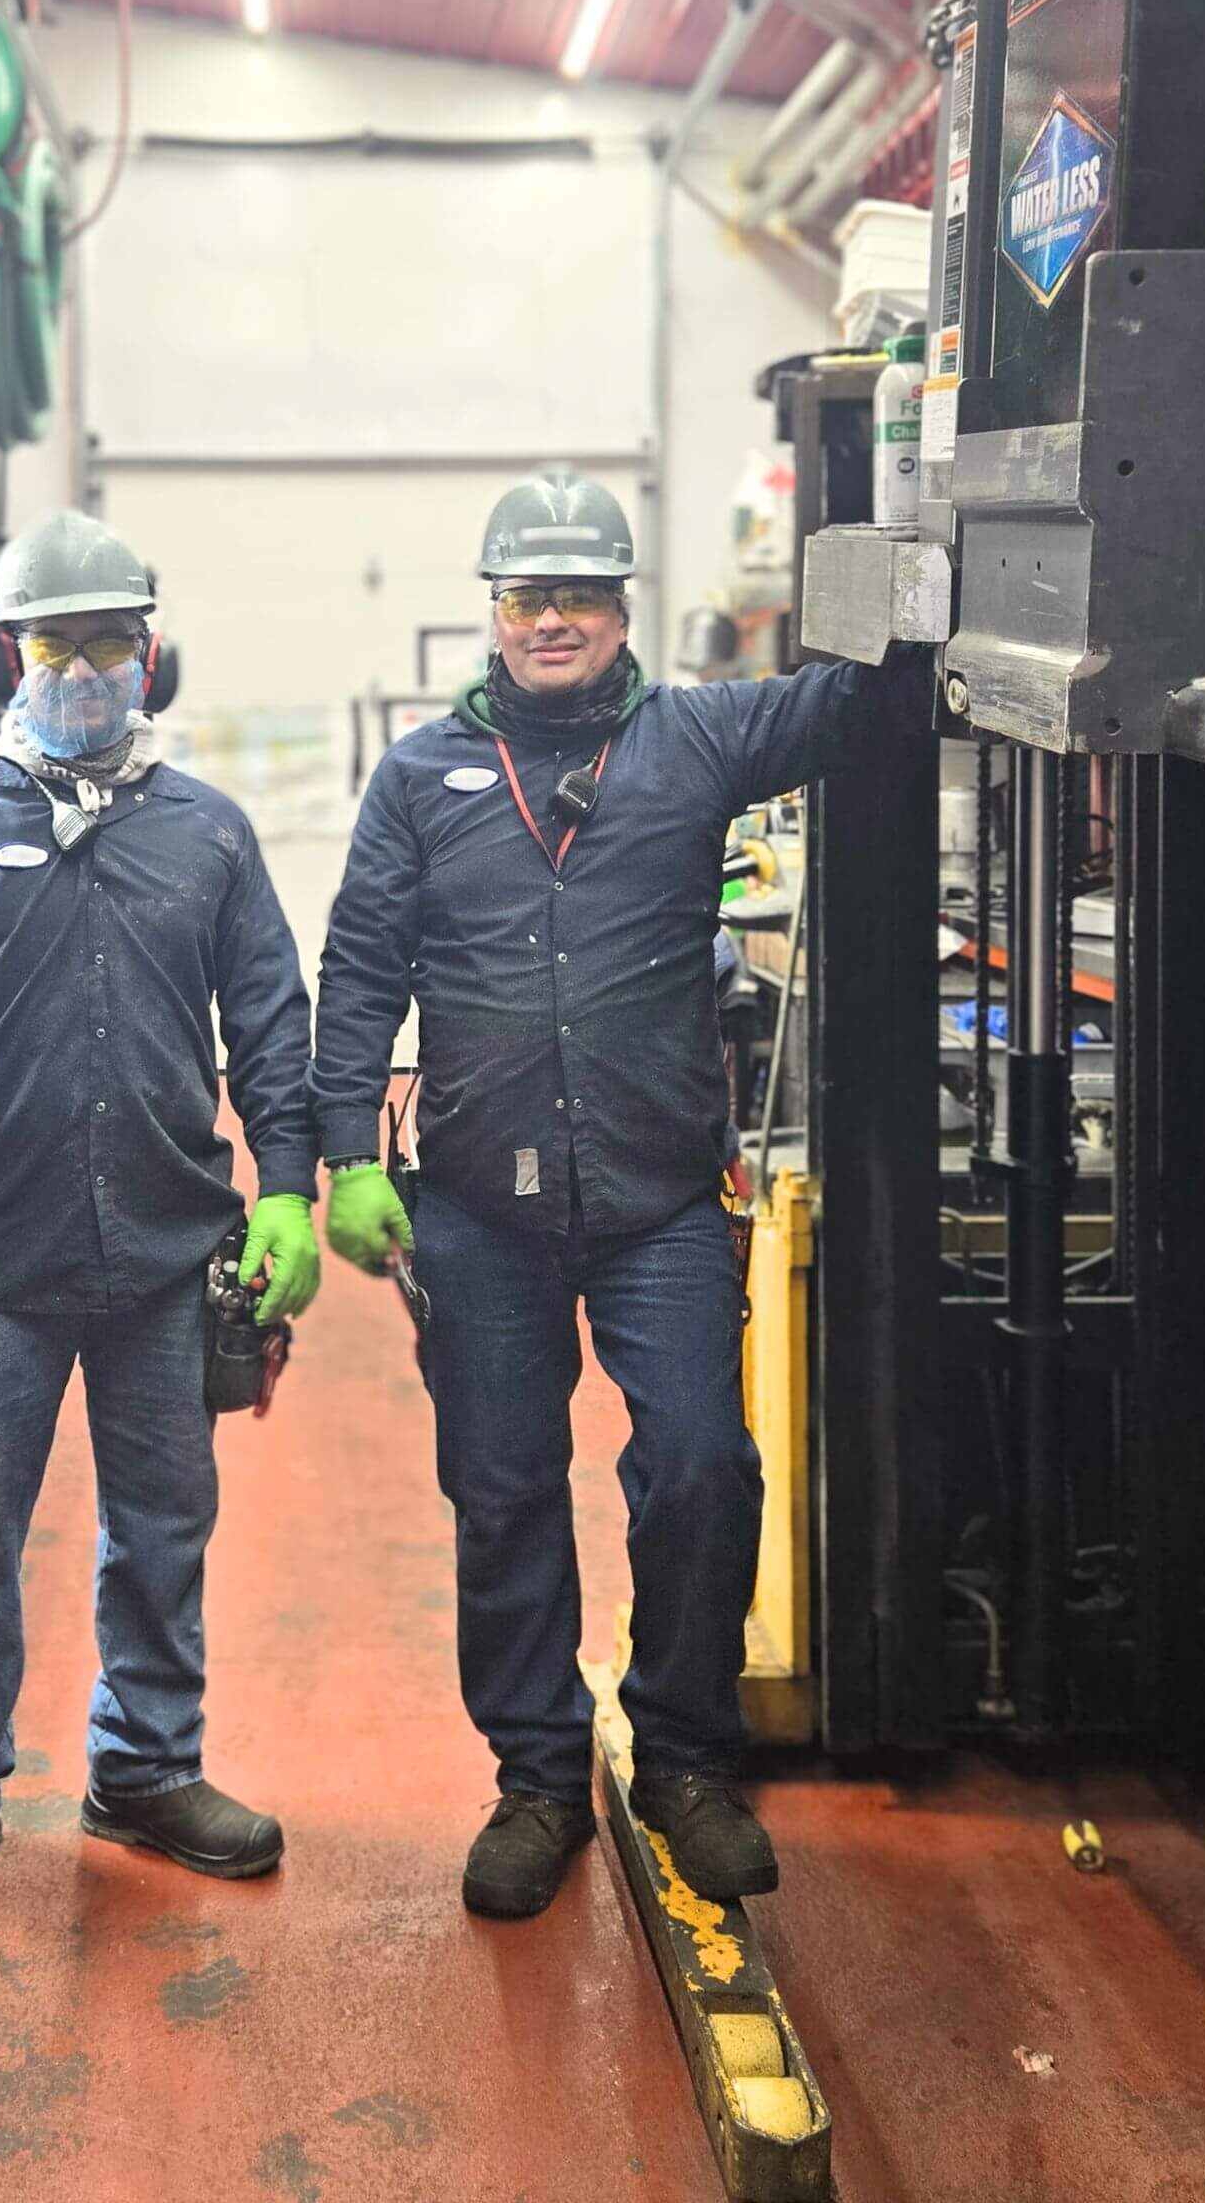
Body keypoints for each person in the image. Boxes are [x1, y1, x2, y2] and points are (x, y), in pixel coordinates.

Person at [311, 469, 928, 1919]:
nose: (553, 621)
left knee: (705, 1467)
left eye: (580, 596)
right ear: (495, 613)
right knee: (505, 1487)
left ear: (621, 608)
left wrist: (911, 537)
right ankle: (536, 1780)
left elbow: (857, 706)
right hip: (475, 1202)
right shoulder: (421, 780)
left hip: (658, 1196)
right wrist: (341, 1156)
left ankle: (684, 1761)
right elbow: (358, 971)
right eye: (528, 597)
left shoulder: (697, 738)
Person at [0, 507, 322, 1949]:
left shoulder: (207, 833)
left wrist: (289, 1182)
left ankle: (144, 1770)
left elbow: (273, 1029)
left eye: (114, 639)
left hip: (168, 1257)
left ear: (152, 650)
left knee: (162, 1530)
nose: (89, 667)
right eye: (61, 640)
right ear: (14, 651)